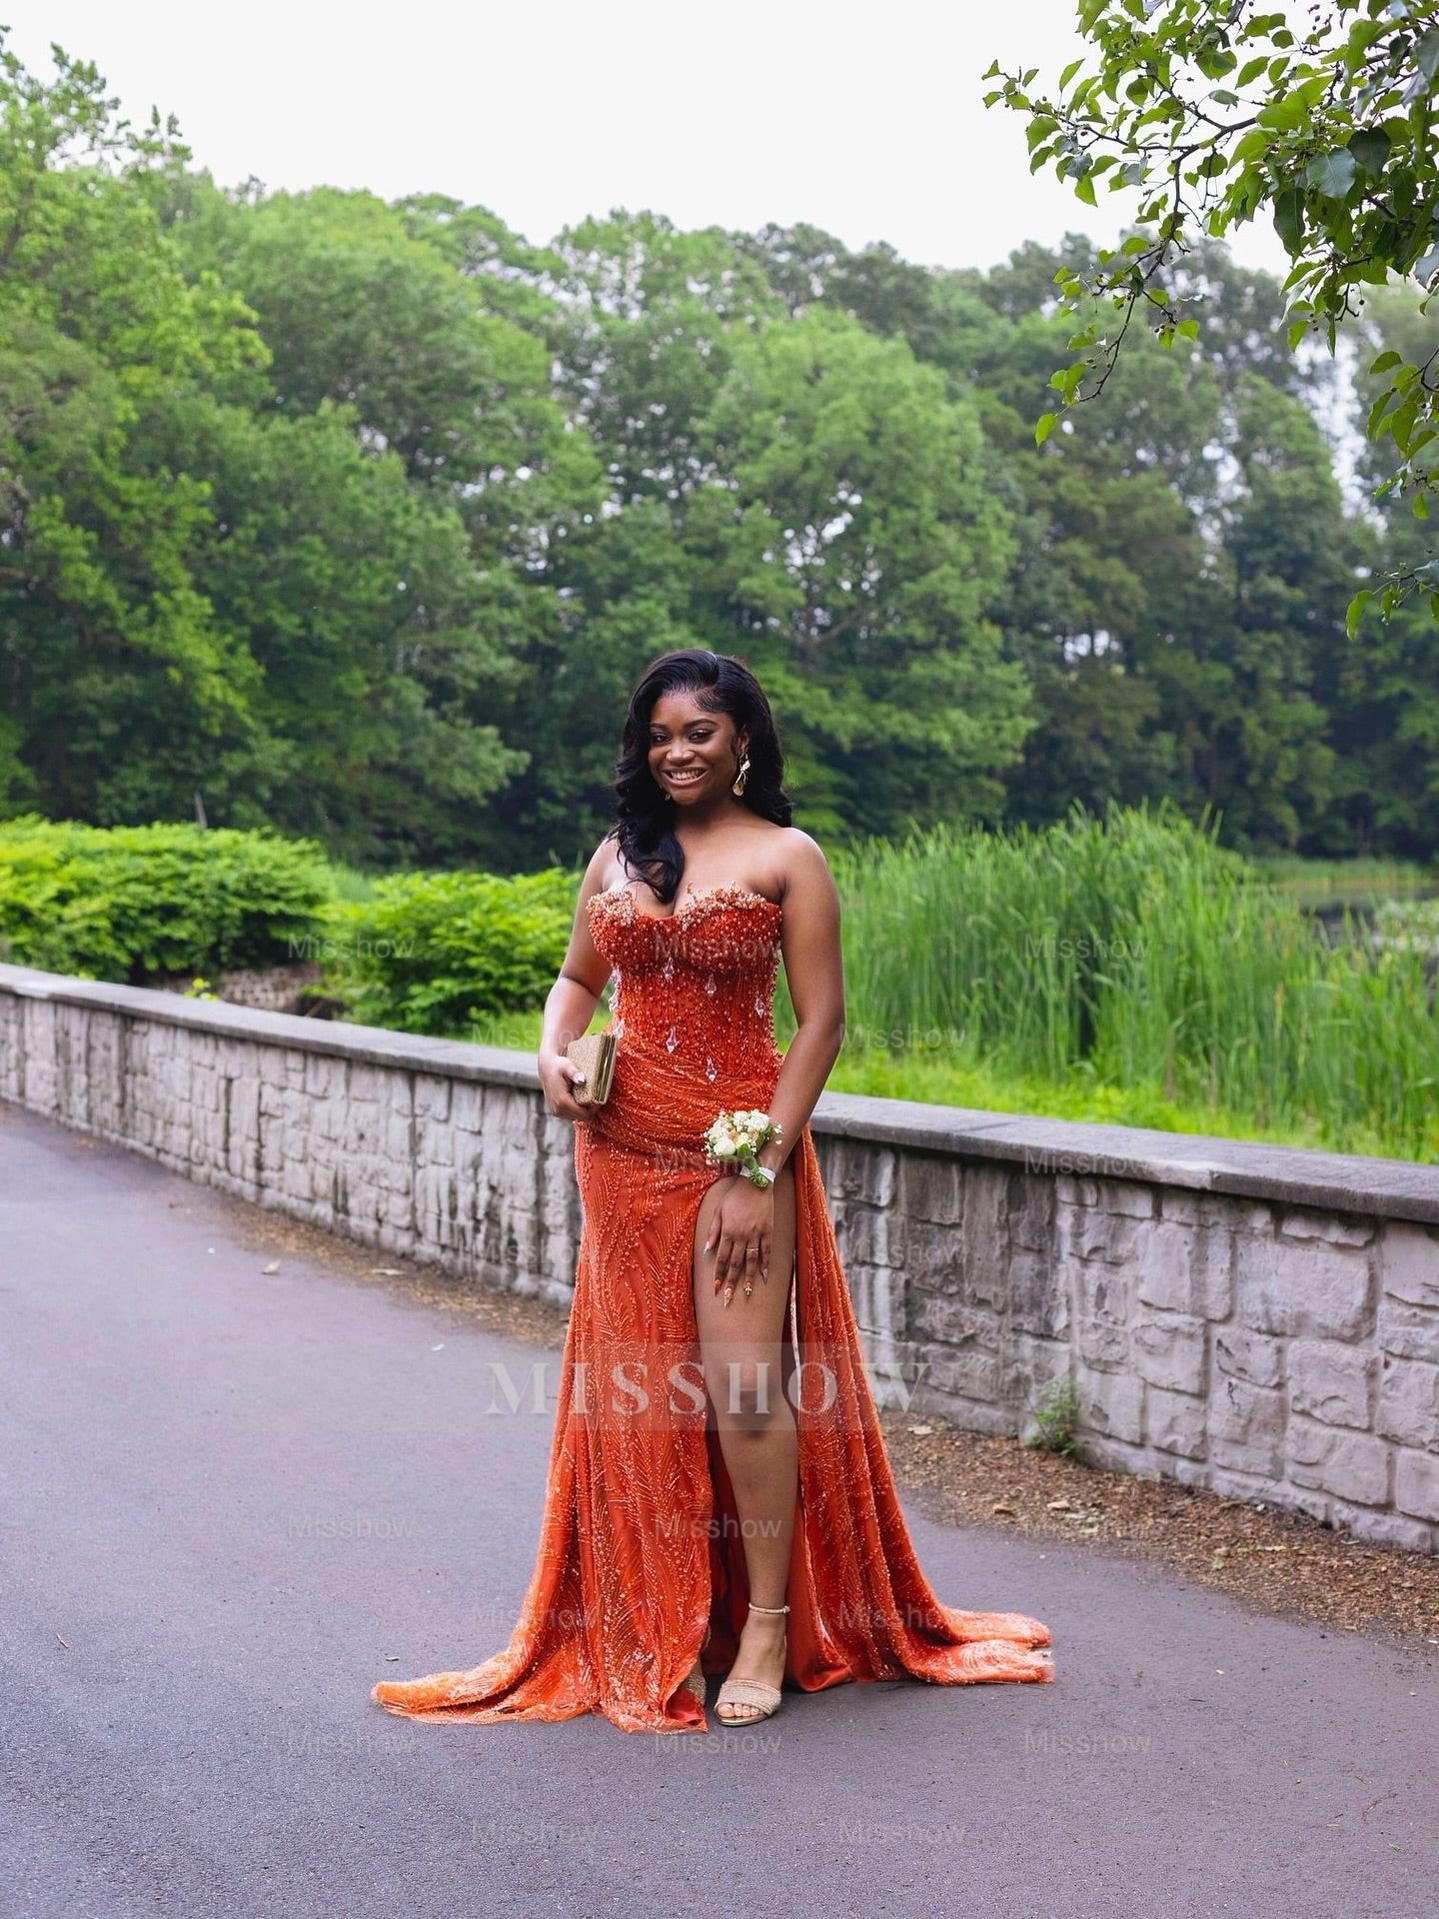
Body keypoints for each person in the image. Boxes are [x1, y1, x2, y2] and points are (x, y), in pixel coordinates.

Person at [372, 647, 1054, 1735]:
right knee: (638, 1389)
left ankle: (769, 1623)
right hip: (620, 1148)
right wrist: (548, 1055)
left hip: (740, 1146)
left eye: (698, 731)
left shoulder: (788, 855)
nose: (676, 750)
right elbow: (576, 980)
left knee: (741, 1392)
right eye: (659, 733)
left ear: (742, 738)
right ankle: (661, 1618)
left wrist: (758, 1165)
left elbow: (820, 1022)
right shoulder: (616, 853)